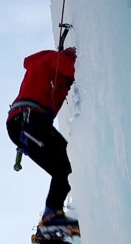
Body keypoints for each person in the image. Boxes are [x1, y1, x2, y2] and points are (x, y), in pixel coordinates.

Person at [6, 47, 78, 227]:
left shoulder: (51, 76)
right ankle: (51, 218)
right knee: (66, 163)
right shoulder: (51, 59)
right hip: (27, 122)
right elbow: (75, 69)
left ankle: (53, 219)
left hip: (29, 123)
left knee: (68, 166)